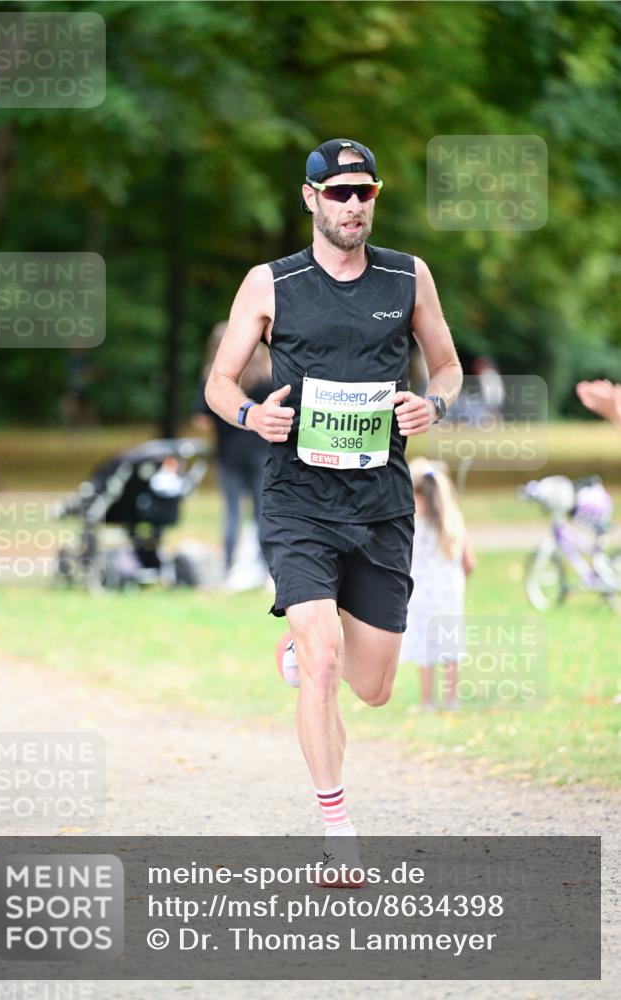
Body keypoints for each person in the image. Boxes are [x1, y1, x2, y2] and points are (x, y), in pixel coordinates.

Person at [205, 138, 462, 884]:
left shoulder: (407, 276)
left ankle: (312, 645)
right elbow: (222, 384)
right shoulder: (269, 282)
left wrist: (433, 403)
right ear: (310, 197)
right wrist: (252, 417)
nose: (353, 204)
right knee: (320, 660)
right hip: (297, 498)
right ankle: (336, 828)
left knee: (373, 686)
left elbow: (443, 365)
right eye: (339, 192)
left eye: (365, 192)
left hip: (381, 502)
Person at [399, 458, 476, 711]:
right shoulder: (453, 521)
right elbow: (469, 562)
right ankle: (452, 699)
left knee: (425, 645)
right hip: (449, 593)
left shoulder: (411, 524)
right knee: (450, 646)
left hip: (420, 593)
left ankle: (427, 700)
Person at [196, 322, 273, 574]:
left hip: (227, 453)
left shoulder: (212, 379)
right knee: (263, 512)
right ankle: (266, 569)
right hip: (261, 453)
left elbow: (202, 419)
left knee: (231, 512)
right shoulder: (267, 377)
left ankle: (227, 566)